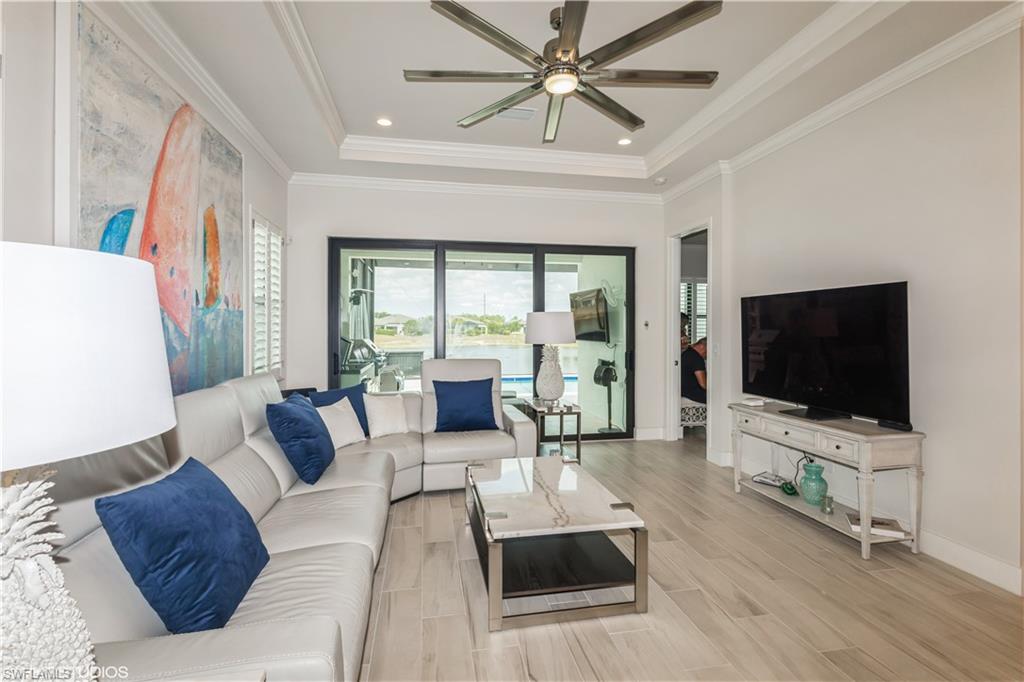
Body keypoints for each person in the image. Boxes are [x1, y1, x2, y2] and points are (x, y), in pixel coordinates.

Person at [681, 337, 707, 404]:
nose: (707, 355)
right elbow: (703, 384)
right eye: (707, 351)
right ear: (701, 346)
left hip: (683, 391)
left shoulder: (686, 352)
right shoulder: (697, 358)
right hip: (693, 393)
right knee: (720, 396)